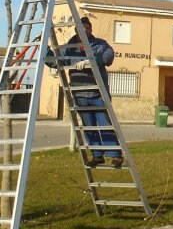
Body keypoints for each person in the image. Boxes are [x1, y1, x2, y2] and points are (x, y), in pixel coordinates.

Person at [49, 16, 122, 168]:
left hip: (97, 93)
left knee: (104, 124)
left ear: (91, 30)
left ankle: (115, 155)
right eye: (81, 28)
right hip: (80, 93)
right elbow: (54, 62)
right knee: (89, 126)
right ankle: (97, 155)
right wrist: (44, 48)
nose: (85, 30)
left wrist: (94, 61)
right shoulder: (68, 48)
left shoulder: (99, 44)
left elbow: (108, 55)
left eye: (87, 28)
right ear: (76, 30)